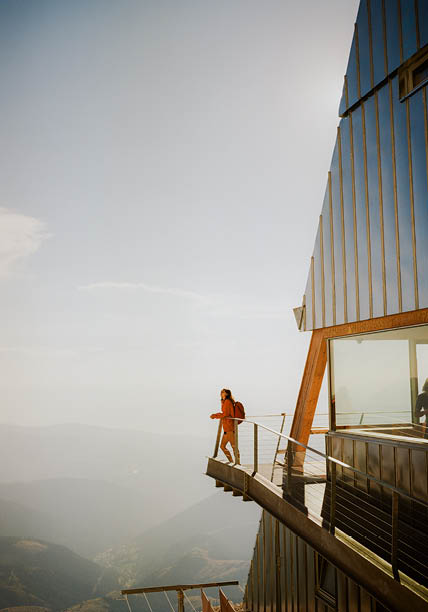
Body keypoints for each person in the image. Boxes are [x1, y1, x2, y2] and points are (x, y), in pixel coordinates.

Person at [210, 388, 238, 463]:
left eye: (223, 392)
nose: (221, 393)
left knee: (234, 447)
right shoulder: (225, 402)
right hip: (226, 428)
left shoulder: (227, 402)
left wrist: (215, 415)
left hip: (229, 428)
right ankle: (232, 461)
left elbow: (225, 414)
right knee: (223, 446)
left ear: (227, 394)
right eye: (221, 392)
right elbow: (225, 413)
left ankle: (238, 463)